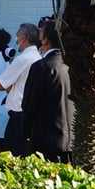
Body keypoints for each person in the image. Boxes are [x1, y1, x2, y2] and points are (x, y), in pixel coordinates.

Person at [23, 17, 73, 163]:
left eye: (41, 31)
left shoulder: (41, 67)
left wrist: (25, 134)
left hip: (45, 140)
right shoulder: (70, 65)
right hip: (70, 139)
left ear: (45, 39)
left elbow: (29, 104)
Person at [0, 23, 42, 156]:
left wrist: (12, 87)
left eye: (17, 36)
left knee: (11, 155)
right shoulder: (38, 57)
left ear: (24, 37)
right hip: (32, 113)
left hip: (18, 115)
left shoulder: (23, 59)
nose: (16, 41)